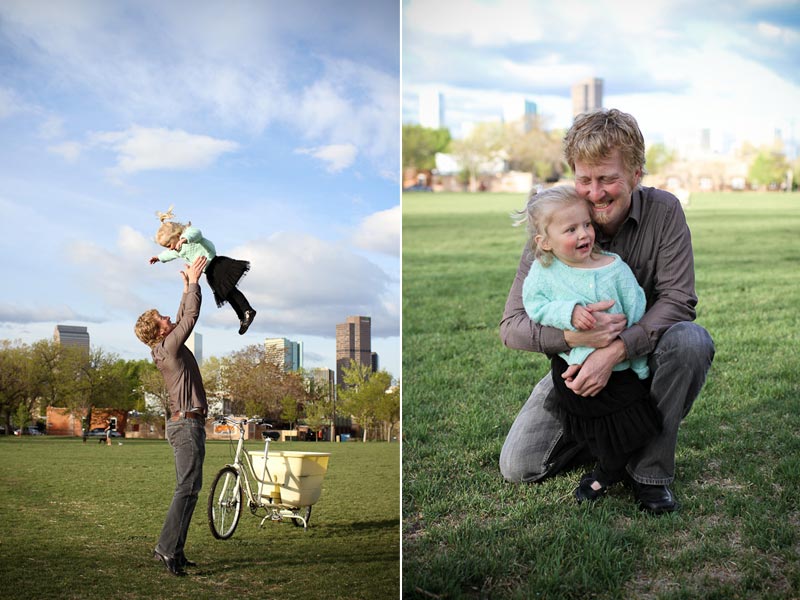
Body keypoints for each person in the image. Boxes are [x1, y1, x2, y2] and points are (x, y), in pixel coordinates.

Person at [499, 108, 715, 514]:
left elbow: (679, 299)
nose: (595, 193)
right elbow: (512, 326)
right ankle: (613, 437)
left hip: (641, 359)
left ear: (636, 174)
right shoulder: (554, 222)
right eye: (584, 180)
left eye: (608, 179)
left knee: (691, 341)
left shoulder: (665, 212)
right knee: (520, 466)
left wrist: (613, 351)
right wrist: (576, 339)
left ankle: (648, 473)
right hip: (573, 368)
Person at [517, 185, 662, 503]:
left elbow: (636, 308)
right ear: (545, 242)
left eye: (586, 225)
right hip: (572, 368)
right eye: (570, 229)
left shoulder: (614, 269)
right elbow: (535, 306)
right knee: (588, 425)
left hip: (619, 369)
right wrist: (568, 313)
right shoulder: (546, 272)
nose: (583, 234)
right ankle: (602, 457)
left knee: (629, 423)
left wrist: (635, 361)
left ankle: (607, 472)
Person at [135, 255, 209, 576]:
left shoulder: (165, 345)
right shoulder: (169, 348)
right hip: (186, 425)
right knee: (187, 488)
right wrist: (194, 283)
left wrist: (186, 288)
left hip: (186, 424)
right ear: (157, 329)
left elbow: (181, 317)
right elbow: (190, 317)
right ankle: (166, 549)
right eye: (161, 317)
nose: (168, 317)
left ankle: (174, 550)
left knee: (189, 488)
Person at [149, 206, 256, 335]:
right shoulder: (177, 250)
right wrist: (159, 258)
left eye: (169, 245)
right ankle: (242, 316)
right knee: (226, 293)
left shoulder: (188, 235)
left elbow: (196, 233)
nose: (170, 248)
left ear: (177, 236)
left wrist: (184, 239)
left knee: (229, 290)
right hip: (209, 272)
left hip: (217, 264)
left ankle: (247, 310)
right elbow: (169, 255)